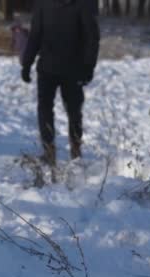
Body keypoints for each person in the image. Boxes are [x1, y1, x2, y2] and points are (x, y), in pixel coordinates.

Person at [21, 0, 100, 166]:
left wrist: (88, 67)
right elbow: (35, 35)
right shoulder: (43, 4)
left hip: (73, 70)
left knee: (73, 110)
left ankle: (75, 151)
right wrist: (27, 63)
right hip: (48, 69)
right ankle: (49, 151)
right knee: (46, 109)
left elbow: (91, 37)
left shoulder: (81, 5)